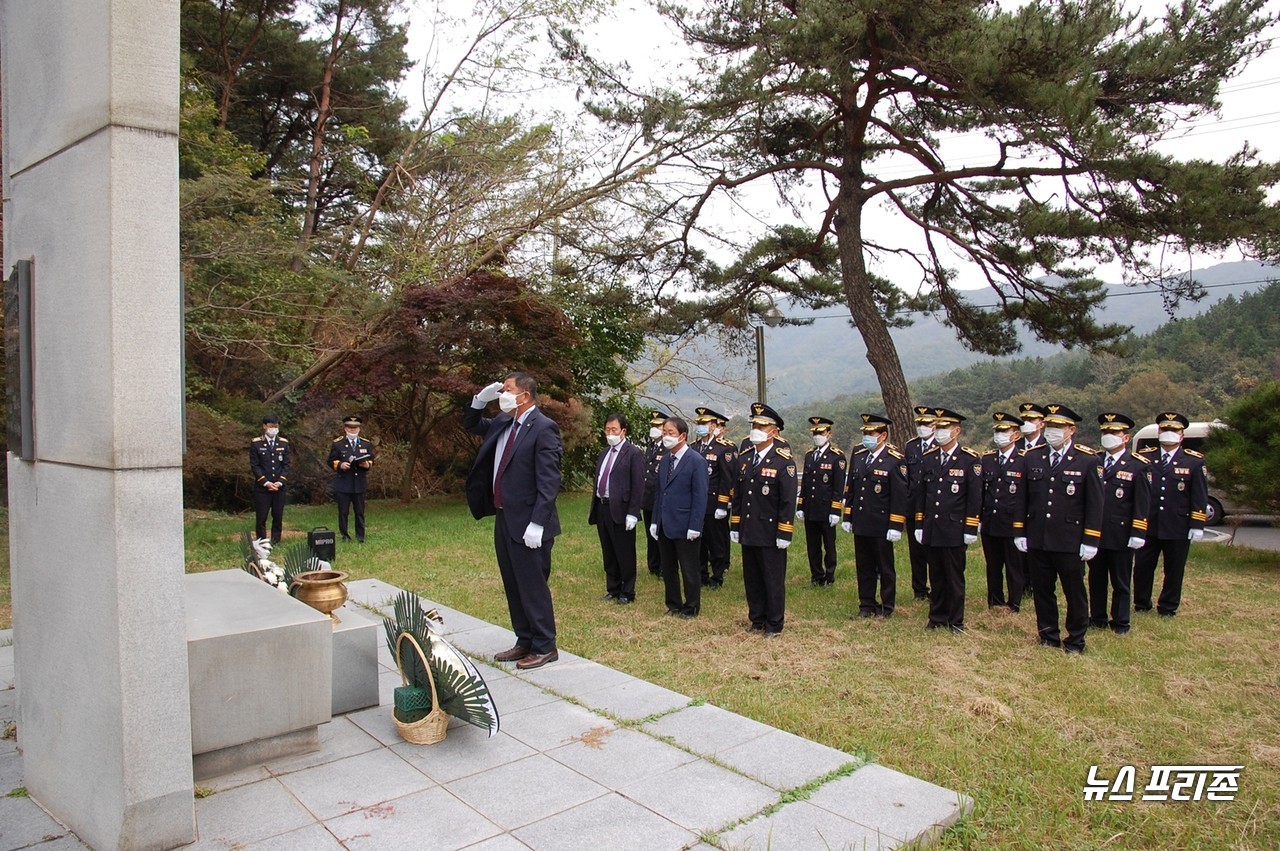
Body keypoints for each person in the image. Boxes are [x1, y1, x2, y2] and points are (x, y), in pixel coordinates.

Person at [464, 373, 562, 670]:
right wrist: (480, 400)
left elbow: (550, 481)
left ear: (525, 396)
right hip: (505, 515)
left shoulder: (544, 428)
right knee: (513, 581)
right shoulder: (504, 421)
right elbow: (471, 424)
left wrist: (538, 523)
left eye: (507, 390)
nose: (502, 394)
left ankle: (545, 645)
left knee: (532, 584)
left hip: (530, 521)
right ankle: (524, 639)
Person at [1014, 404, 1102, 654]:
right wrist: (1020, 531)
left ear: (1071, 430)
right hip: (1039, 538)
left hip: (1069, 539)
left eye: (1057, 427)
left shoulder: (1087, 459)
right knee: (1043, 590)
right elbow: (1022, 498)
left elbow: (1095, 504)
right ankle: (1048, 635)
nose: (1052, 431)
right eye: (1049, 426)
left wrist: (1091, 539)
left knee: (1074, 592)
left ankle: (1075, 639)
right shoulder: (1032, 457)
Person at [731, 403, 797, 637]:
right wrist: (735, 524)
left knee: (772, 579)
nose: (756, 429)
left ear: (774, 431)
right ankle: (756, 619)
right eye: (754, 425)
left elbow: (788, 501)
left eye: (761, 425)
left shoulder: (783, 461)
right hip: (750, 528)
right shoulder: (747, 458)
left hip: (770, 531)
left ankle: (774, 623)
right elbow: (738, 494)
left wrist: (784, 532)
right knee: (753, 578)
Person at [1133, 412, 1209, 618]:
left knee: (1174, 569)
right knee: (1142, 566)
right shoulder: (1146, 458)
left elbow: (1199, 495)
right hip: (1148, 523)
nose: (1169, 434)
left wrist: (1197, 524)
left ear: (1182, 435)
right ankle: (1141, 603)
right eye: (1165, 430)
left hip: (1178, 525)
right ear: (1159, 432)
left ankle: (1168, 607)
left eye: (1174, 430)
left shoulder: (1194, 462)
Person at [914, 409, 982, 633]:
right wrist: (919, 524)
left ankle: (956, 621)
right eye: (938, 427)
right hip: (932, 527)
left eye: (945, 428)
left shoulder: (969, 460)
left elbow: (974, 497)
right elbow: (921, 494)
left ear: (957, 431)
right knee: (936, 576)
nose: (940, 432)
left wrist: (971, 526)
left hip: (954, 528)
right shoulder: (928, 458)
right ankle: (936, 617)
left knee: (954, 578)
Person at [841, 414, 907, 617]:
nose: (867, 437)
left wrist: (896, 525)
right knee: (864, 566)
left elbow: (900, 495)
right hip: (861, 521)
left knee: (885, 567)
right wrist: (848, 516)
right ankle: (866, 604)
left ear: (883, 436)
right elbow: (851, 488)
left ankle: (886, 607)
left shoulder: (895, 460)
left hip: (881, 523)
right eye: (865, 433)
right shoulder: (859, 455)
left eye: (872, 433)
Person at [1091, 412, 1151, 634]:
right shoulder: (1094, 460)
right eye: (1105, 432)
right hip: (1096, 532)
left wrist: (1138, 531)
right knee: (1096, 578)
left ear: (1126, 438)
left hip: (1121, 533)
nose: (1109, 436)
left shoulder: (1138, 465)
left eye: (1114, 432)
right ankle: (1097, 617)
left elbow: (1142, 502)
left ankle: (1121, 621)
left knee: (1121, 581)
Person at [650, 417, 709, 618]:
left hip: (685, 524)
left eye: (671, 433)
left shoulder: (696, 461)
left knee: (689, 568)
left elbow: (700, 496)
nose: (666, 436)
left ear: (682, 436)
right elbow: (660, 492)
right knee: (668, 567)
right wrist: (655, 521)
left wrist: (695, 525)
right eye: (664, 432)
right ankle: (673, 603)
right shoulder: (665, 459)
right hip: (666, 522)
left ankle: (691, 606)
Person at [588, 413, 646, 604]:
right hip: (603, 507)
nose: (610, 433)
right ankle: (613, 588)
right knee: (609, 551)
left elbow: (638, 486)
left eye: (614, 430)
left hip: (622, 510)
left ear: (623, 431)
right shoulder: (604, 453)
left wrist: (633, 512)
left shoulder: (633, 453)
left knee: (624, 552)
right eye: (607, 429)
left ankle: (627, 591)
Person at [979, 412, 1028, 611]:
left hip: (1012, 522)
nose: (999, 435)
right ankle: (995, 601)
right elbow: (982, 491)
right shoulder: (988, 459)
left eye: (1003, 431)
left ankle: (1014, 603)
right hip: (991, 520)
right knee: (993, 566)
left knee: (1014, 566)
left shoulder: (1024, 460)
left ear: (1016, 435)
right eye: (997, 431)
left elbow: (1026, 495)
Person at [798, 417, 847, 587]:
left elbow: (838, 486)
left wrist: (835, 510)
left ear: (829, 434)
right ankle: (816, 576)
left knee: (829, 545)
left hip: (826, 510)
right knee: (813, 546)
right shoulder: (810, 456)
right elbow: (805, 482)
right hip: (811, 509)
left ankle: (830, 576)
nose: (817, 436)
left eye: (821, 433)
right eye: (815, 433)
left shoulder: (837, 457)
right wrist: (801, 505)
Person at [691, 407, 736, 588]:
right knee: (698, 541)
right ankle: (701, 573)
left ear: (713, 426)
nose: (701, 427)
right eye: (699, 423)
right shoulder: (693, 447)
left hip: (713, 502)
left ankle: (717, 576)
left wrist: (723, 504)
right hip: (696, 504)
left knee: (715, 541)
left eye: (704, 423)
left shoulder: (723, 449)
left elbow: (727, 479)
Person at [903, 407, 937, 601]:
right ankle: (919, 589)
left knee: (931, 550)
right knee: (915, 551)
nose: (922, 428)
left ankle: (936, 586)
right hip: (913, 505)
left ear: (934, 425)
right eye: (920, 424)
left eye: (926, 424)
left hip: (932, 507)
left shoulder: (940, 447)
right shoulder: (912, 446)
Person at [327, 415, 375, 543]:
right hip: (344, 483)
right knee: (343, 512)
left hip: (359, 483)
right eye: (350, 428)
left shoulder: (366, 443)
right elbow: (331, 461)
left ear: (359, 429)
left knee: (359, 512)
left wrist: (367, 465)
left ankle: (360, 536)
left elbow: (371, 459)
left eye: (355, 428)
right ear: (345, 428)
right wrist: (340, 465)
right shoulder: (338, 444)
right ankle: (345, 535)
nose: (353, 430)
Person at [249, 412, 291, 544]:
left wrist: (280, 482)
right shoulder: (256, 444)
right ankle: (262, 542)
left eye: (276, 426)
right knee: (261, 517)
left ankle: (276, 541)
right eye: (271, 426)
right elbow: (255, 465)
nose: (274, 428)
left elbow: (287, 465)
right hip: (263, 487)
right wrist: (266, 482)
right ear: (264, 426)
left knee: (277, 516)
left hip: (279, 487)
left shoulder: (283, 443)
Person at [641, 410, 669, 578]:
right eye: (653, 425)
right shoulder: (651, 446)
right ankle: (653, 565)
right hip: (648, 497)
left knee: (661, 533)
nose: (654, 428)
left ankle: (663, 566)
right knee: (650, 533)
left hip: (661, 497)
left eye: (658, 425)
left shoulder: (667, 447)